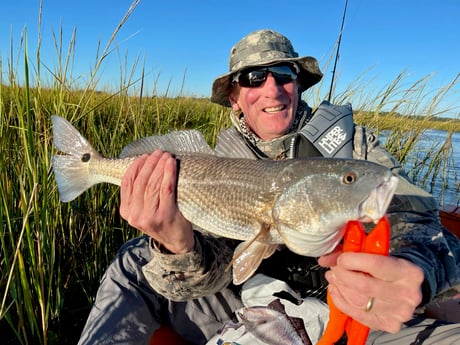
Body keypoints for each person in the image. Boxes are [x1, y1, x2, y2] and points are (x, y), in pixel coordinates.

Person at [78, 29, 460, 345]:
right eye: (253, 78)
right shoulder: (220, 160)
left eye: (283, 73)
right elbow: (221, 272)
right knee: (134, 259)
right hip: (248, 296)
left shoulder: (354, 150)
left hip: (358, 308)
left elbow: (427, 226)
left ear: (298, 84)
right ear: (234, 97)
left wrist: (416, 271)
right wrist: (177, 246)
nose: (271, 89)